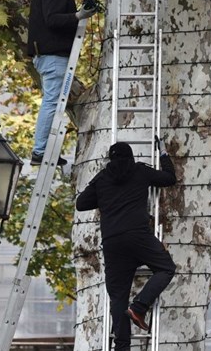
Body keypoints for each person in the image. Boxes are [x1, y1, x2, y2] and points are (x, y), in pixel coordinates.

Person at [76, 140, 177, 350]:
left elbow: (81, 203)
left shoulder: (103, 178)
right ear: (130, 157)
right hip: (138, 236)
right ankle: (139, 307)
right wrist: (164, 156)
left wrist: (105, 195)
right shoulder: (140, 171)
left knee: (118, 296)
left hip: (113, 242)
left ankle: (122, 347)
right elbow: (169, 178)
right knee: (166, 268)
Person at [28, 0, 100, 166]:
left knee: (53, 102)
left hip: (49, 55)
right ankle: (40, 150)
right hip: (53, 56)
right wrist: (78, 16)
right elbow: (52, 19)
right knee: (52, 103)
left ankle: (43, 150)